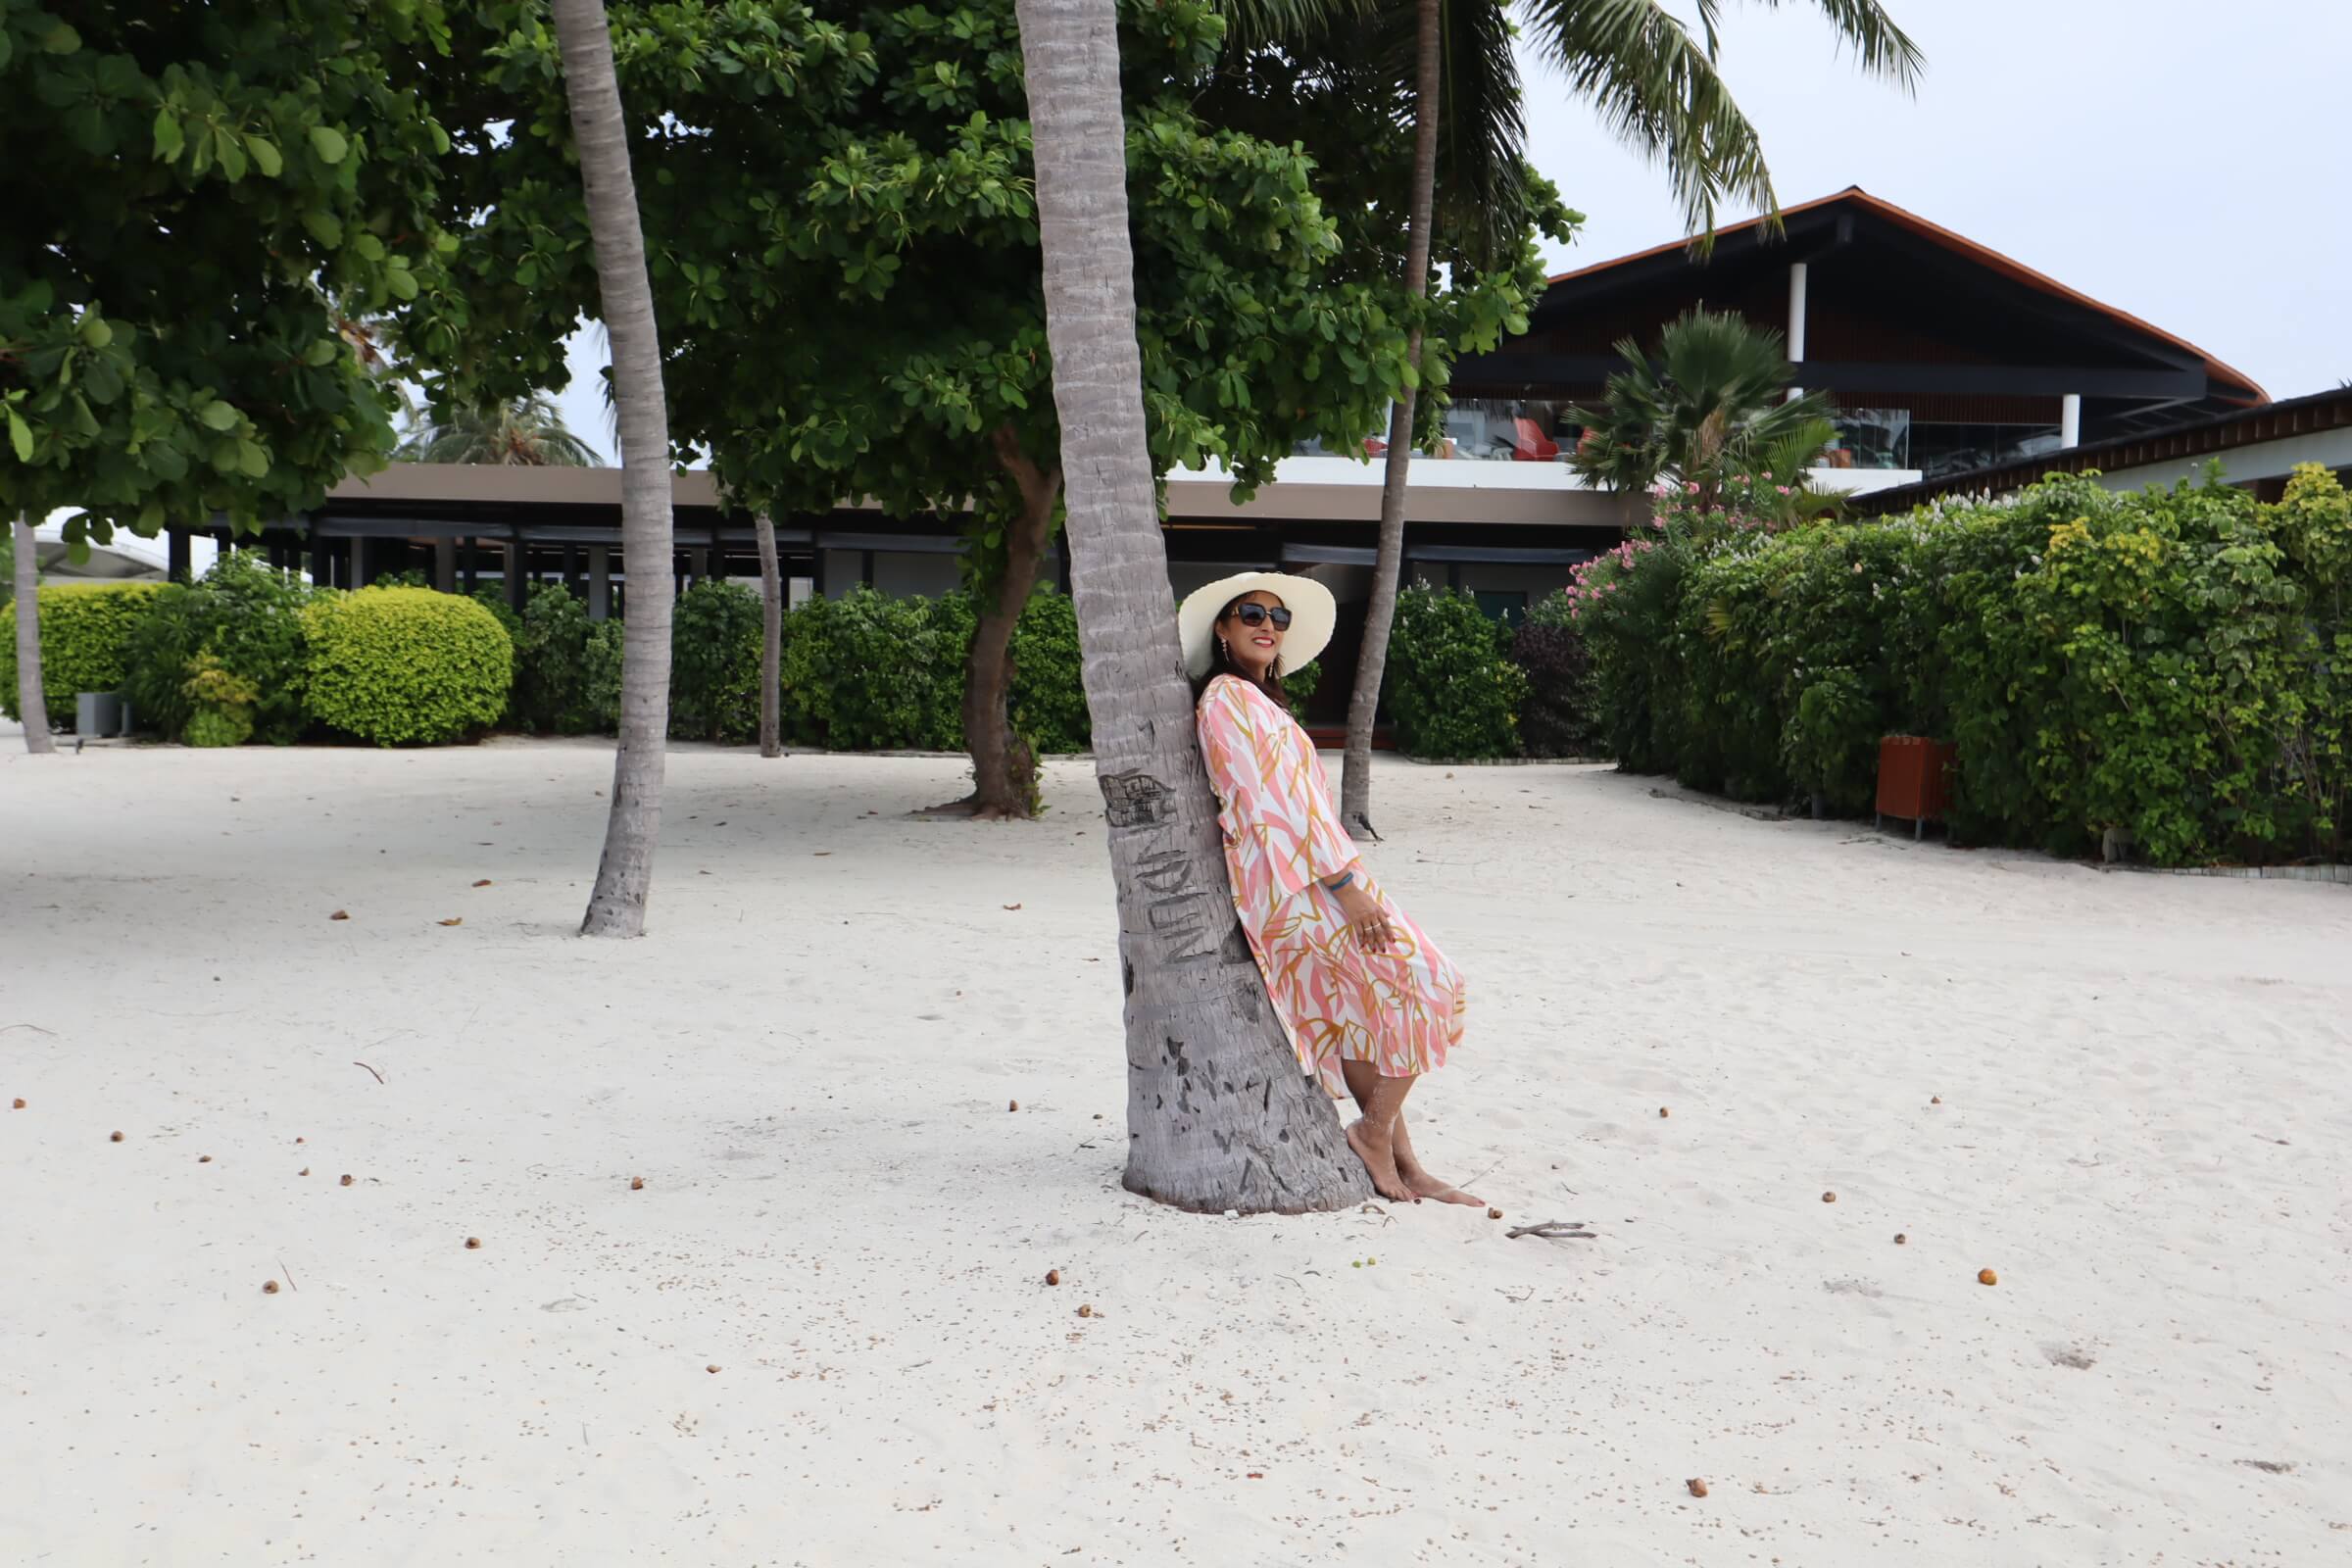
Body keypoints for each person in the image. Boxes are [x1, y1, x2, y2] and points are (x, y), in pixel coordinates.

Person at [1181, 572, 1476, 1205]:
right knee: (1431, 980)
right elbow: (1272, 807)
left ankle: (1403, 1159)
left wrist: (1348, 880)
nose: (1268, 624)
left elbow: (1302, 803)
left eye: (1278, 617)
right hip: (1297, 886)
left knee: (1363, 1015)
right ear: (1223, 629)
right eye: (1251, 613)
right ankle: (1371, 1134)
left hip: (1323, 875)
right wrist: (1345, 887)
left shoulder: (1263, 703)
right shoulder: (1224, 701)